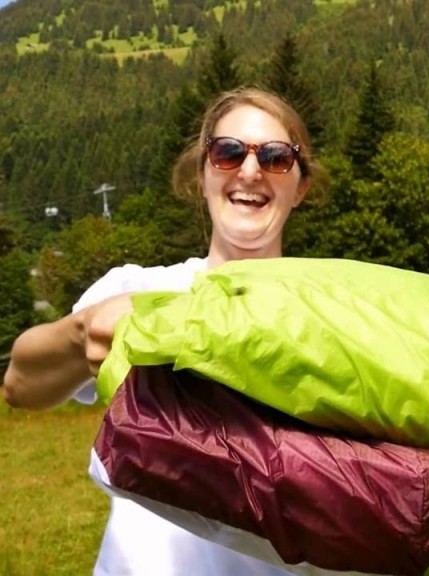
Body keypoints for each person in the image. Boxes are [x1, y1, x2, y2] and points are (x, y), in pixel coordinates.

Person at [3, 87, 328, 575]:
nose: (249, 170)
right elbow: (20, 387)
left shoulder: (330, 319)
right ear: (202, 174)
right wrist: (82, 333)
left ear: (301, 186)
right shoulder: (137, 290)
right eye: (228, 152)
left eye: (277, 157)